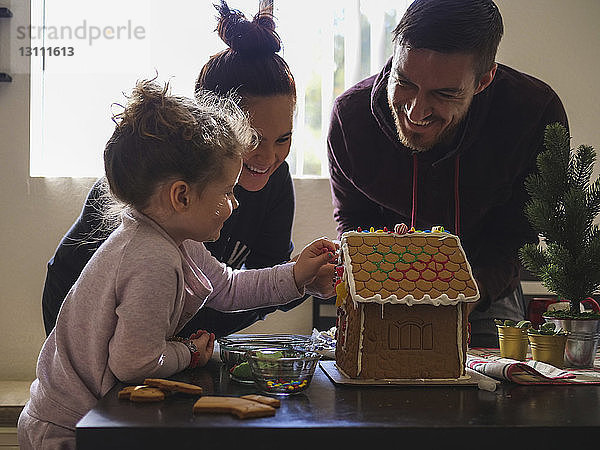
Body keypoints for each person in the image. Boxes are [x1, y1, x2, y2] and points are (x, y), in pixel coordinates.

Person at [18, 79, 338, 449]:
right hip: (71, 430)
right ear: (182, 195)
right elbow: (134, 363)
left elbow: (229, 287)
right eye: (226, 191)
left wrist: (296, 275)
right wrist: (187, 353)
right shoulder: (151, 258)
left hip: (96, 419)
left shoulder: (169, 238)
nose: (234, 204)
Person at [41, 1, 333, 338]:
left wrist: (302, 278)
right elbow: (143, 328)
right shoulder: (148, 188)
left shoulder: (273, 181)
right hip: (90, 334)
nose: (268, 158)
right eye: (253, 139)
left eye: (283, 139)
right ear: (213, 128)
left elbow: (233, 289)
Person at [326, 0, 568, 347]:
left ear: (484, 80)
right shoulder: (351, 119)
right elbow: (352, 219)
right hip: (383, 288)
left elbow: (516, 237)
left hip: (487, 291)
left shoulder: (533, 115)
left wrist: (466, 296)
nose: (415, 110)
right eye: (405, 82)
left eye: (444, 93)